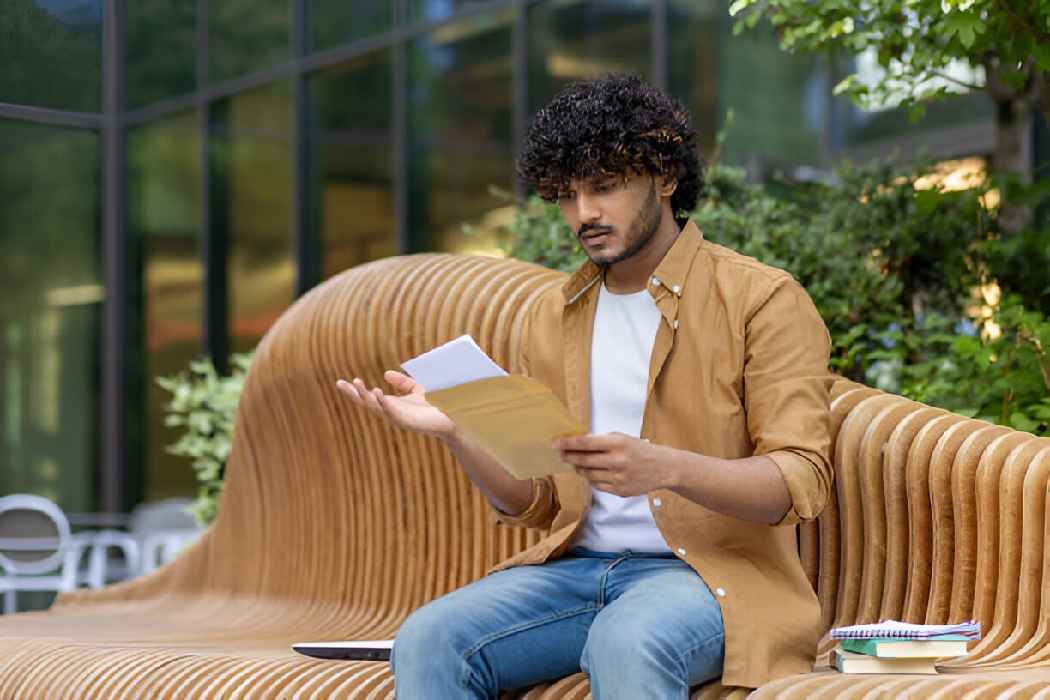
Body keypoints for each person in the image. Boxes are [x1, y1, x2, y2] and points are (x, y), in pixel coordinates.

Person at [337, 74, 834, 699]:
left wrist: (665, 468)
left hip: (710, 579)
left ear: (665, 177)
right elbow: (538, 502)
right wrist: (458, 430)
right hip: (575, 574)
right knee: (429, 637)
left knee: (625, 639)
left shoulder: (761, 300)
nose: (584, 215)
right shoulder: (553, 314)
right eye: (567, 195)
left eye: (604, 187)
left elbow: (799, 480)